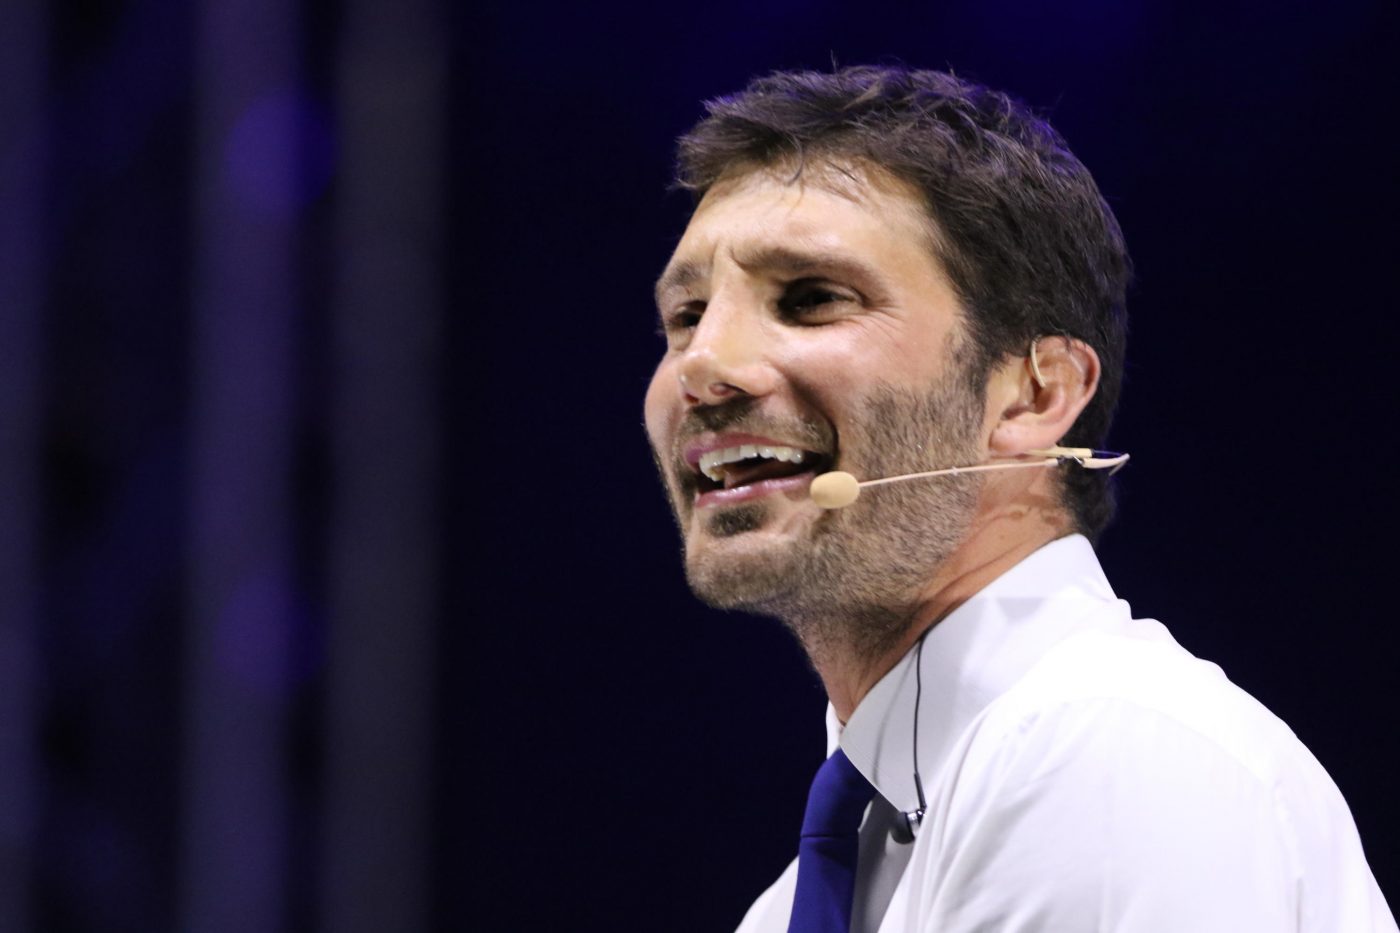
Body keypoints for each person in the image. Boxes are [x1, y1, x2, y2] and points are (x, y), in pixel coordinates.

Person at [643, 66, 1397, 932]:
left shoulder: (1105, 757)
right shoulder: (794, 903)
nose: (702, 363)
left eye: (811, 299)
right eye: (686, 315)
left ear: (1035, 396)